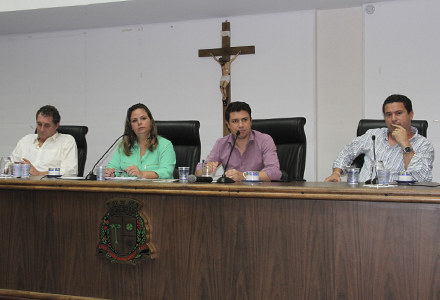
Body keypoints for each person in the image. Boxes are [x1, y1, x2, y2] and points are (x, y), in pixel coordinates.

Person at [325, 94, 434, 183]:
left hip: (399, 200)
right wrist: (336, 173)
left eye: (399, 113)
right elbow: (347, 151)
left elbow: (421, 179)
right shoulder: (373, 135)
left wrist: (405, 144)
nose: (393, 119)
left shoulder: (423, 145)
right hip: (364, 196)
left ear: (411, 115)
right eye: (388, 115)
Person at [195, 101, 282, 182]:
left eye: (244, 120)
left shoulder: (264, 141)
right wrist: (206, 170)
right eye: (235, 121)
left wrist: (244, 176)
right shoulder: (221, 144)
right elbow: (199, 171)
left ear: (251, 121)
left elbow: (274, 172)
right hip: (231, 194)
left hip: (258, 194)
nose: (241, 125)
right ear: (228, 124)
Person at [105, 103, 176, 179]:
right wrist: (111, 173)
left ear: (151, 121)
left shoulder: (165, 145)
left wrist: (142, 174)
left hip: (158, 190)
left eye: (143, 118)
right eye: (134, 120)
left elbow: (166, 172)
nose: (139, 123)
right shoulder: (124, 145)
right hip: (131, 190)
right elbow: (113, 167)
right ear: (131, 126)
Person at [10, 105, 78, 176]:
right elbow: (10, 163)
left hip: (50, 185)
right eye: (39, 124)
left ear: (56, 125)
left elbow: (70, 171)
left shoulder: (66, 141)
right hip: (23, 184)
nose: (41, 129)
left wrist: (40, 174)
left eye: (47, 125)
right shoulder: (26, 140)